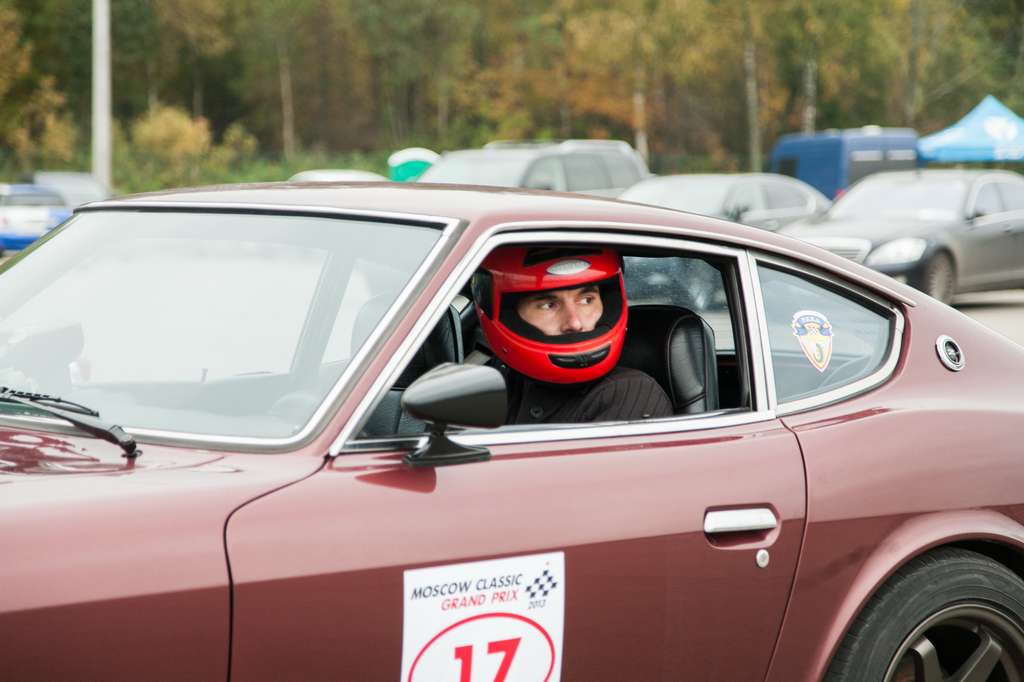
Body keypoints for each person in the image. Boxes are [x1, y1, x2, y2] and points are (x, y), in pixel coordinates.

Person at [471, 246, 673, 425]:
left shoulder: (630, 393)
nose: (574, 323)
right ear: (509, 315)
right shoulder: (499, 380)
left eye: (586, 300)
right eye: (548, 305)